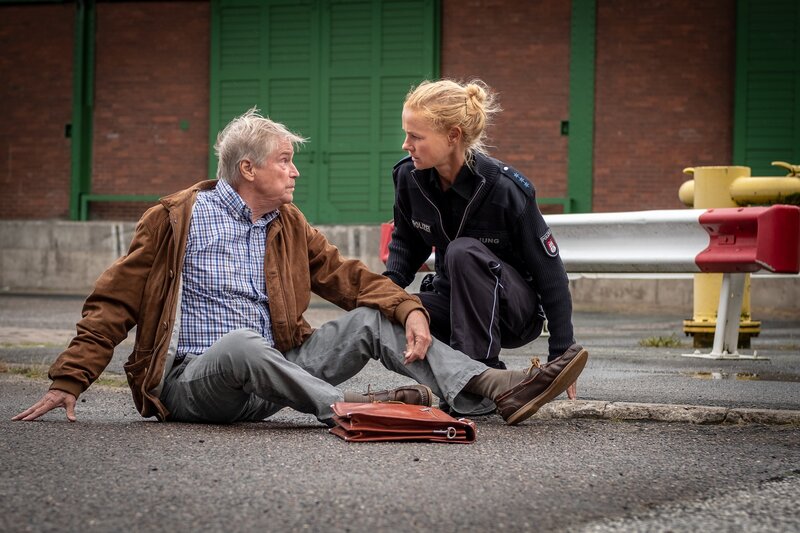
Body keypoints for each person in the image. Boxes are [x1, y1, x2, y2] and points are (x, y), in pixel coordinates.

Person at [13, 108, 587, 428]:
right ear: (248, 169)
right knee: (241, 344)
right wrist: (70, 379)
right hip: (193, 383)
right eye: (285, 161)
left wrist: (408, 307)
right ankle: (360, 412)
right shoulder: (174, 219)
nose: (295, 172)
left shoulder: (287, 224)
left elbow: (350, 279)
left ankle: (491, 387)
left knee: (371, 318)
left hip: (279, 374)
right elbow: (114, 301)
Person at [384, 79, 583, 401]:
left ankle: (483, 373)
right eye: (407, 134)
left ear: (453, 135)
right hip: (454, 301)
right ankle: (451, 384)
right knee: (395, 313)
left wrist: (562, 354)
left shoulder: (506, 190)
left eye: (416, 136)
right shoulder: (408, 178)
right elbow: (406, 244)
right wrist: (385, 294)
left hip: (513, 313)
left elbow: (550, 273)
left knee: (462, 251)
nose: (406, 144)